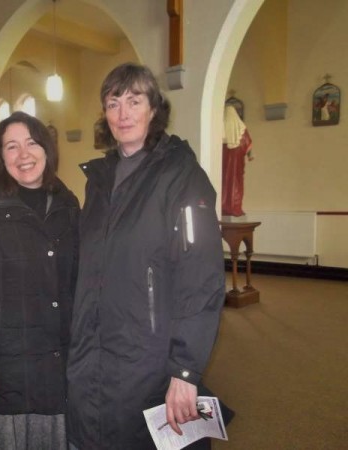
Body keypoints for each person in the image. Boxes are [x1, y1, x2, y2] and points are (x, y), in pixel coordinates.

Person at [66, 63, 226, 450]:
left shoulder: (182, 175)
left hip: (149, 355)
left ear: (154, 108)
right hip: (95, 349)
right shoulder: (99, 180)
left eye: (134, 101)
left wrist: (185, 371)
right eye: (113, 102)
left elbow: (201, 276)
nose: (123, 113)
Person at [0, 111, 80, 449]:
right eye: (11, 146)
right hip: (4, 364)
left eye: (32, 143)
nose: (24, 155)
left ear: (47, 149)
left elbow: (79, 284)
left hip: (56, 360)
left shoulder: (67, 204)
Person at [222, 104, 253, 217]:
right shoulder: (241, 128)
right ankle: (235, 207)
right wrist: (250, 156)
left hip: (224, 166)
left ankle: (223, 206)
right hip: (237, 166)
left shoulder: (221, 128)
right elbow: (248, 144)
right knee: (236, 184)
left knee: (224, 183)